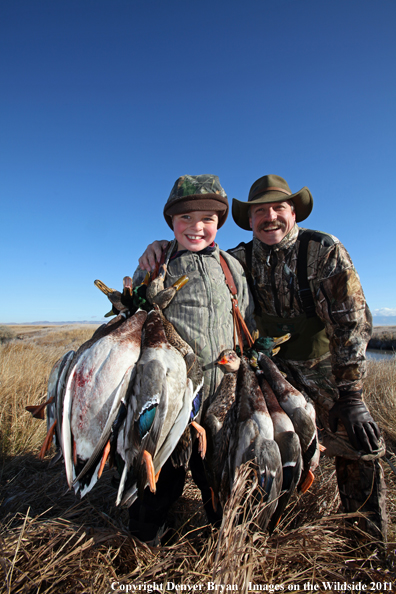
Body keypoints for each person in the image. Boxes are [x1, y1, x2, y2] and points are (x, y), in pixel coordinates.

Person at [138, 174, 387, 541]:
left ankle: (366, 540)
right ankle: (255, 520)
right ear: (250, 220)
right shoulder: (238, 258)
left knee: (359, 445)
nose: (270, 216)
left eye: (278, 207)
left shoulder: (322, 251)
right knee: (252, 447)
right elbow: (196, 256)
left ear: (293, 212)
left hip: (322, 370)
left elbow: (352, 323)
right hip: (263, 372)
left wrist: (352, 396)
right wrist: (159, 246)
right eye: (260, 211)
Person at [129, 174, 255, 542]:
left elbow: (243, 321)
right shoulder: (156, 265)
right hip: (171, 395)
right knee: (160, 474)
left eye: (207, 219)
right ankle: (144, 540)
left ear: (219, 223)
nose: (196, 227)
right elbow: (133, 320)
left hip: (220, 397)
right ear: (171, 222)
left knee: (216, 472)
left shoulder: (231, 269)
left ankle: (224, 536)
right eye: (185, 218)